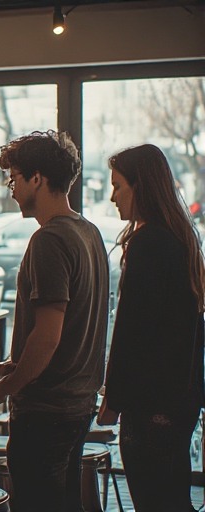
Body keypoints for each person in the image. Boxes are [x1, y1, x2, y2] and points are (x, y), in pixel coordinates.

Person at [0, 130, 109, 512]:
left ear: (37, 178)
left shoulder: (50, 240)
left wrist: (1, 391)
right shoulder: (89, 232)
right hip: (78, 404)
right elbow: (71, 332)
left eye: (14, 178)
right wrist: (14, 365)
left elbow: (47, 338)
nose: (11, 188)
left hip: (46, 412)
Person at [97, 144, 205, 512]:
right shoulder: (181, 237)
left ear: (140, 186)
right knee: (173, 495)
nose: (112, 197)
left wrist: (113, 400)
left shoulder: (149, 242)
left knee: (154, 500)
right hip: (180, 398)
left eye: (118, 186)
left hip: (152, 403)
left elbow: (132, 331)